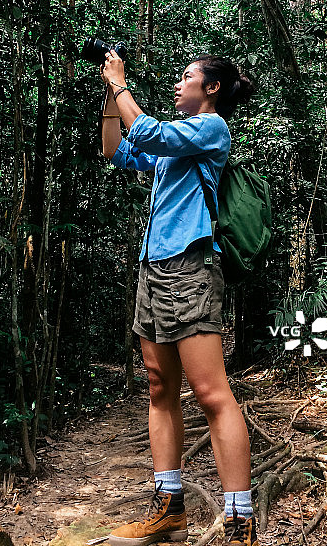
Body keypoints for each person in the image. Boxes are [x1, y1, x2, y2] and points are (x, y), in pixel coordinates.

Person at [100, 50, 256, 546]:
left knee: (211, 394)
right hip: (155, 267)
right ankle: (169, 508)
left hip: (191, 265)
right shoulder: (175, 139)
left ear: (211, 88)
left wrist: (122, 85)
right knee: (159, 389)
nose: (178, 83)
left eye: (187, 77)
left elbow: (148, 131)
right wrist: (109, 92)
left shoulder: (210, 130)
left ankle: (240, 520)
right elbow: (115, 150)